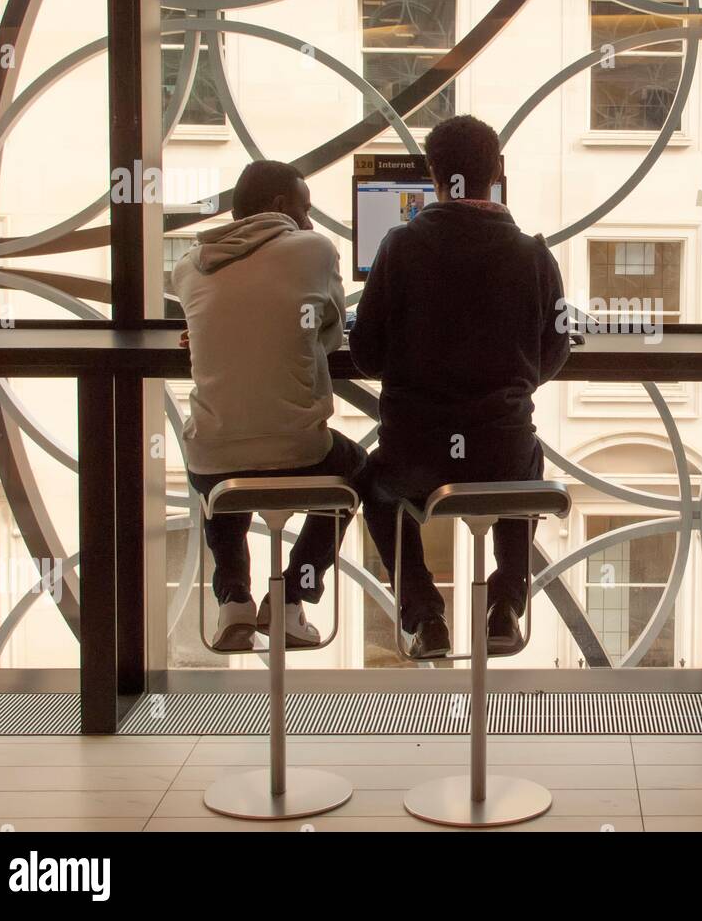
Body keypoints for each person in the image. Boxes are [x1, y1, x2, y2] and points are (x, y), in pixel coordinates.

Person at [350, 115, 569, 660]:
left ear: (431, 173)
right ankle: (506, 605)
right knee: (525, 462)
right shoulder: (533, 256)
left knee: (377, 486)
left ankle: (424, 615)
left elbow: (366, 354)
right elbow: (555, 353)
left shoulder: (398, 247)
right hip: (500, 451)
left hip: (415, 458)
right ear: (497, 171)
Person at [174, 160, 366, 652]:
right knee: (358, 470)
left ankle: (233, 601)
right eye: (305, 209)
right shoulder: (315, 250)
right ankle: (292, 597)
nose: (311, 220)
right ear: (281, 207)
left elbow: (212, 323)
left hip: (214, 459)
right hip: (299, 451)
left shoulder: (188, 266)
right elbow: (325, 334)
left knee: (218, 458)